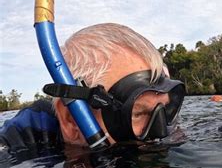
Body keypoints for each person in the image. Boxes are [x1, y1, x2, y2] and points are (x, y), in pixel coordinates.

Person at [0, 23, 185, 157]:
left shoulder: (166, 132)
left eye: (166, 109)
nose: (161, 133)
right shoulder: (21, 140)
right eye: (138, 113)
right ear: (72, 121)